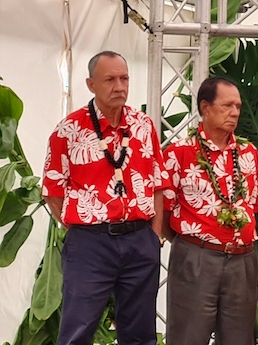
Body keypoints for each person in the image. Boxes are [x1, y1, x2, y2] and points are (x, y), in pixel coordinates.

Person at [42, 51, 167, 345]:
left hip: (140, 239)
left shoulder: (143, 125)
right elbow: (53, 189)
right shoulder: (68, 130)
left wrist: (155, 236)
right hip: (90, 242)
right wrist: (80, 227)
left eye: (124, 78)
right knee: (78, 328)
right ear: (90, 84)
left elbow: (158, 183)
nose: (120, 86)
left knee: (140, 333)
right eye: (110, 79)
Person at [161, 76, 258, 344]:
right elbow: (163, 211)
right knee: (188, 336)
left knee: (239, 338)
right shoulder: (179, 152)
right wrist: (192, 245)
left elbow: (253, 206)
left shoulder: (249, 152)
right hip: (196, 256)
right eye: (227, 105)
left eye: (238, 106)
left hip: (242, 259)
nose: (235, 112)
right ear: (205, 107)